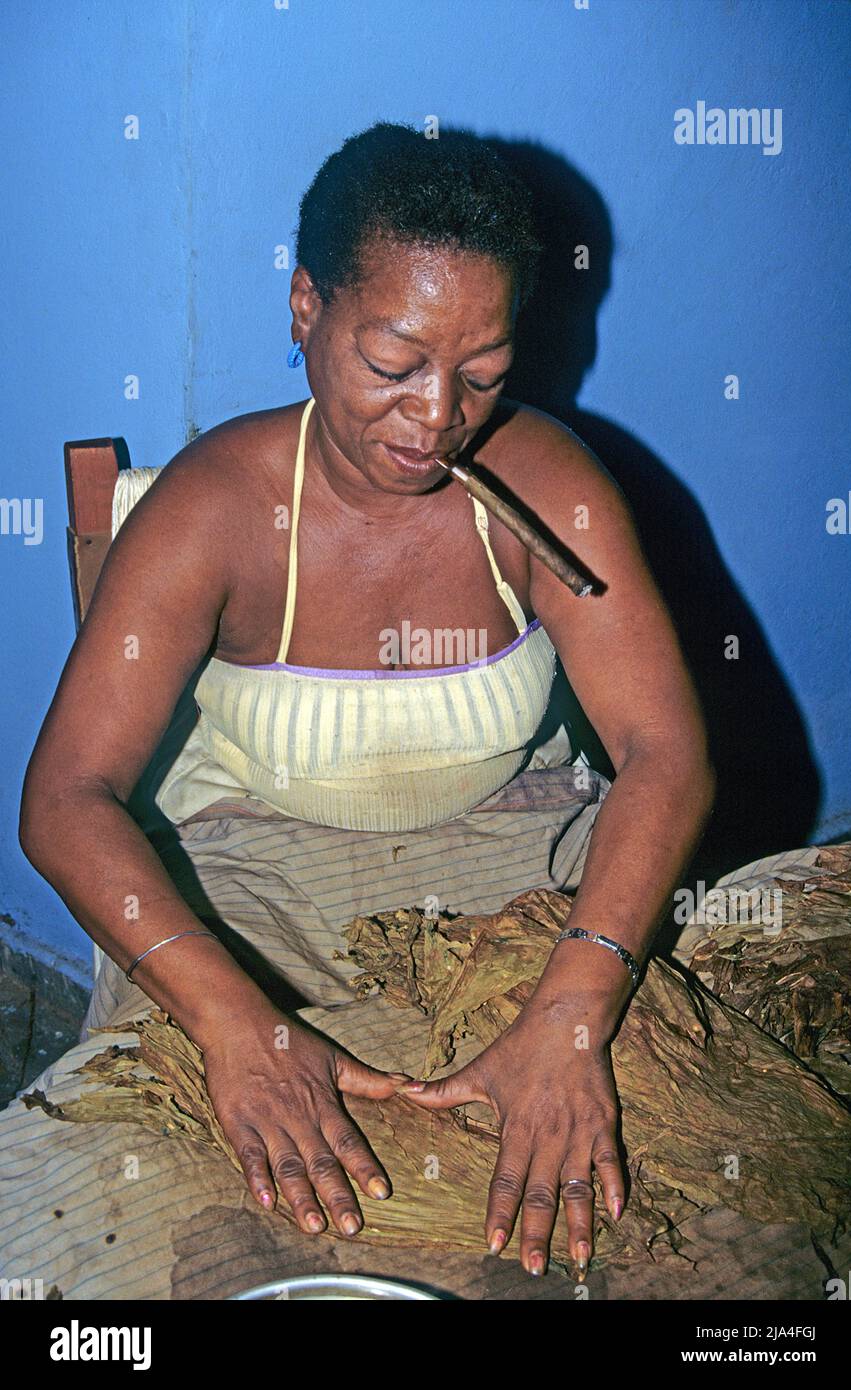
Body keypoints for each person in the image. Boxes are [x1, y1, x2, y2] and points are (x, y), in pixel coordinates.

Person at [17, 122, 715, 1282]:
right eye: (393, 364)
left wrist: (576, 1000)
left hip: (519, 866)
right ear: (305, 306)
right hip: (251, 885)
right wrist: (235, 1024)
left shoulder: (547, 490)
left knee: (659, 1208)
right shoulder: (211, 512)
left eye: (481, 373)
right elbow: (63, 800)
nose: (436, 416)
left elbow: (665, 750)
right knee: (161, 1223)